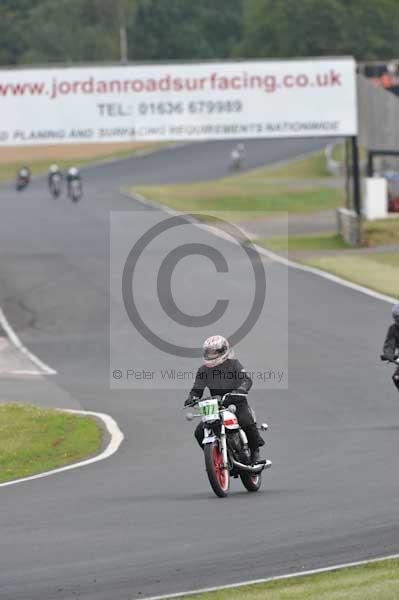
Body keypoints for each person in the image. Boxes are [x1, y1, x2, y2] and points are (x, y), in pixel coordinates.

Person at [184, 335, 266, 463]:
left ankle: (255, 451)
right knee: (199, 432)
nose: (210, 355)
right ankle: (215, 458)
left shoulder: (234, 364)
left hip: (236, 402)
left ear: (222, 351)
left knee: (245, 420)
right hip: (215, 405)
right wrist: (192, 397)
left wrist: (241, 390)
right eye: (208, 352)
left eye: (213, 352)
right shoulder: (203, 370)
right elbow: (197, 389)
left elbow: (246, 380)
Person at [382, 303, 399, 392]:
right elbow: (389, 344)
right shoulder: (393, 329)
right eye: (396, 317)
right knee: (397, 377)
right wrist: (388, 354)